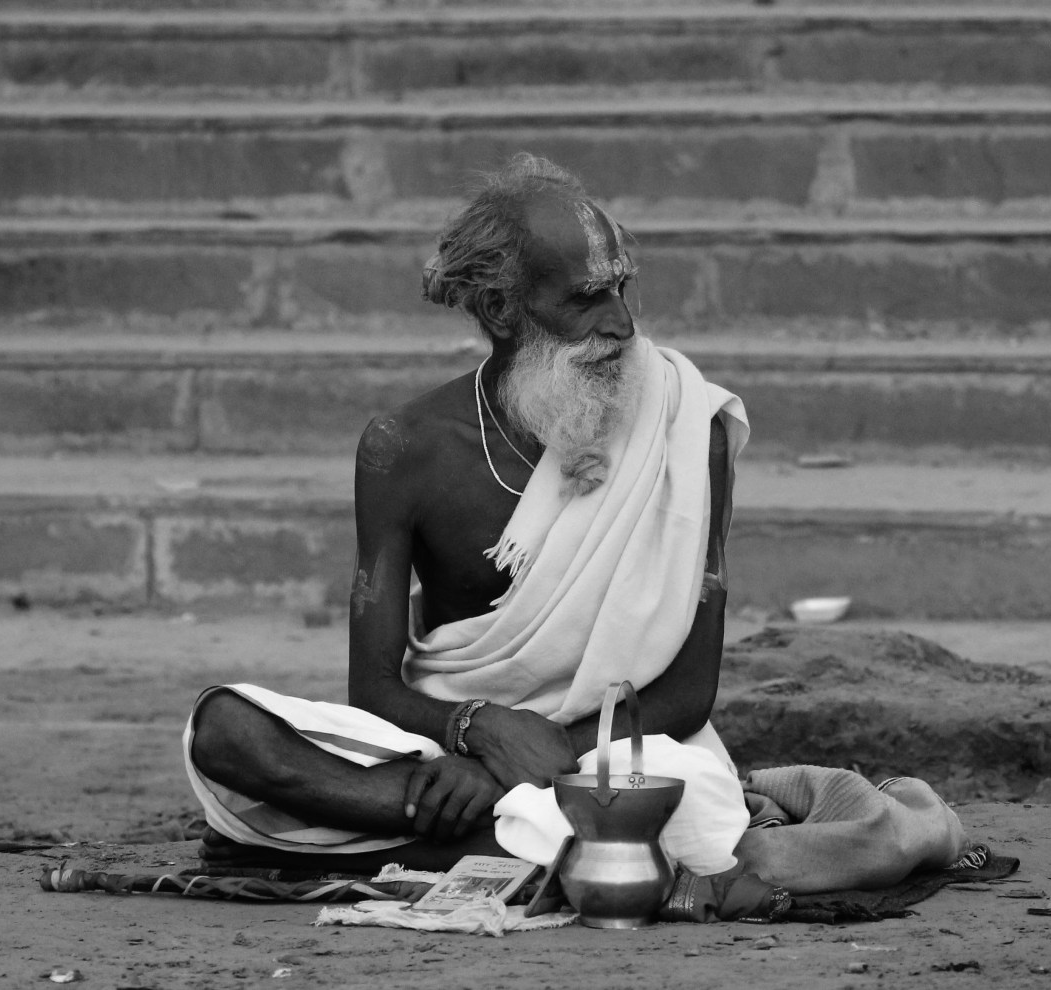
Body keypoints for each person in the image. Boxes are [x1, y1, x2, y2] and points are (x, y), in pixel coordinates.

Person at [183, 152, 751, 873]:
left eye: (621, 290)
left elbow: (689, 693)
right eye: (584, 299)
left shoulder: (686, 423)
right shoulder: (405, 448)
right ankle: (536, 845)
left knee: (690, 794)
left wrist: (511, 768)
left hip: (612, 749)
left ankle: (382, 842)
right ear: (500, 310)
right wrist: (475, 731)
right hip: (443, 746)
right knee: (225, 732)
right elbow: (375, 689)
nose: (622, 324)